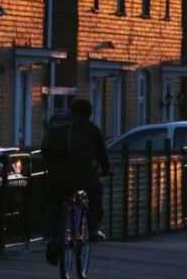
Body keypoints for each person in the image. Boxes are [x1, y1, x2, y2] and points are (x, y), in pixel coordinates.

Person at [41, 98, 110, 266]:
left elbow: (44, 149)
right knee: (96, 190)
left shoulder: (59, 126)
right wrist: (106, 170)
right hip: (83, 177)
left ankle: (53, 234)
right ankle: (93, 229)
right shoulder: (92, 129)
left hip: (57, 175)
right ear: (89, 114)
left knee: (55, 200)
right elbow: (102, 156)